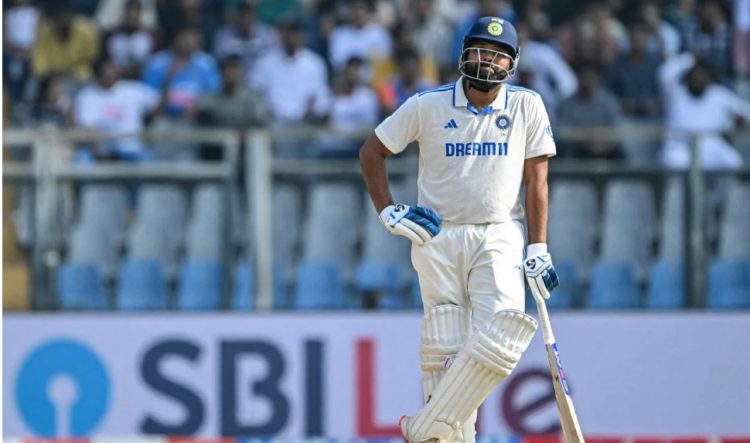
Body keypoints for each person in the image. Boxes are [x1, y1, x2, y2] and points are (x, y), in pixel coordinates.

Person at [359, 17, 558, 443]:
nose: (488, 61)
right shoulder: (427, 105)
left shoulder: (527, 105)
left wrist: (538, 247)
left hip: (500, 231)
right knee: (442, 346)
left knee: (503, 335)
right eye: (481, 50)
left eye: (498, 55)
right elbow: (372, 150)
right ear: (465, 53)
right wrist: (387, 210)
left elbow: (537, 180)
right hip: (437, 235)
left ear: (512, 63)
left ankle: (424, 428)